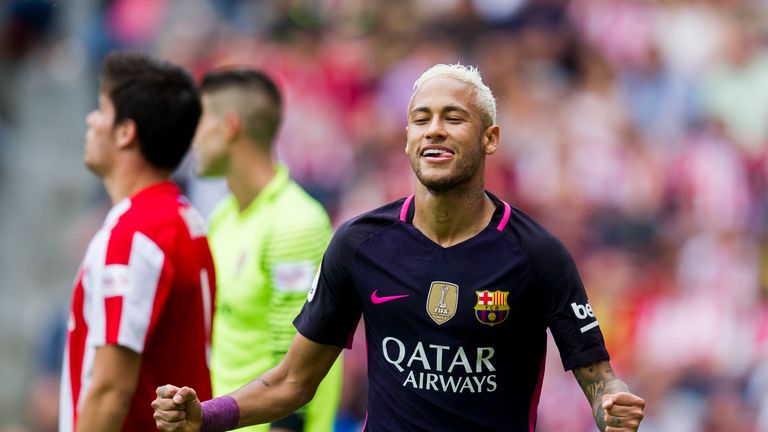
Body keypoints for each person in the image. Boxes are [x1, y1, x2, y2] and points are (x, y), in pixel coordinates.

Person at [153, 63, 645, 431]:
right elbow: (293, 381)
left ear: (490, 138)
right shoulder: (360, 244)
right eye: (421, 118)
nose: (434, 128)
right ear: (407, 138)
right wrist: (207, 416)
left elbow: (600, 382)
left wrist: (612, 409)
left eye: (453, 117)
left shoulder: (538, 254)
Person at [60, 51, 216, 432]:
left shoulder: (135, 234)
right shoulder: (183, 217)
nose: (90, 120)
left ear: (126, 132)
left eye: (101, 109)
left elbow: (111, 390)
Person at [192, 68, 342, 432]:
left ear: (229, 127)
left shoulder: (296, 223)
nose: (191, 140)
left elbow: (294, 377)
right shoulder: (223, 217)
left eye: (197, 124)